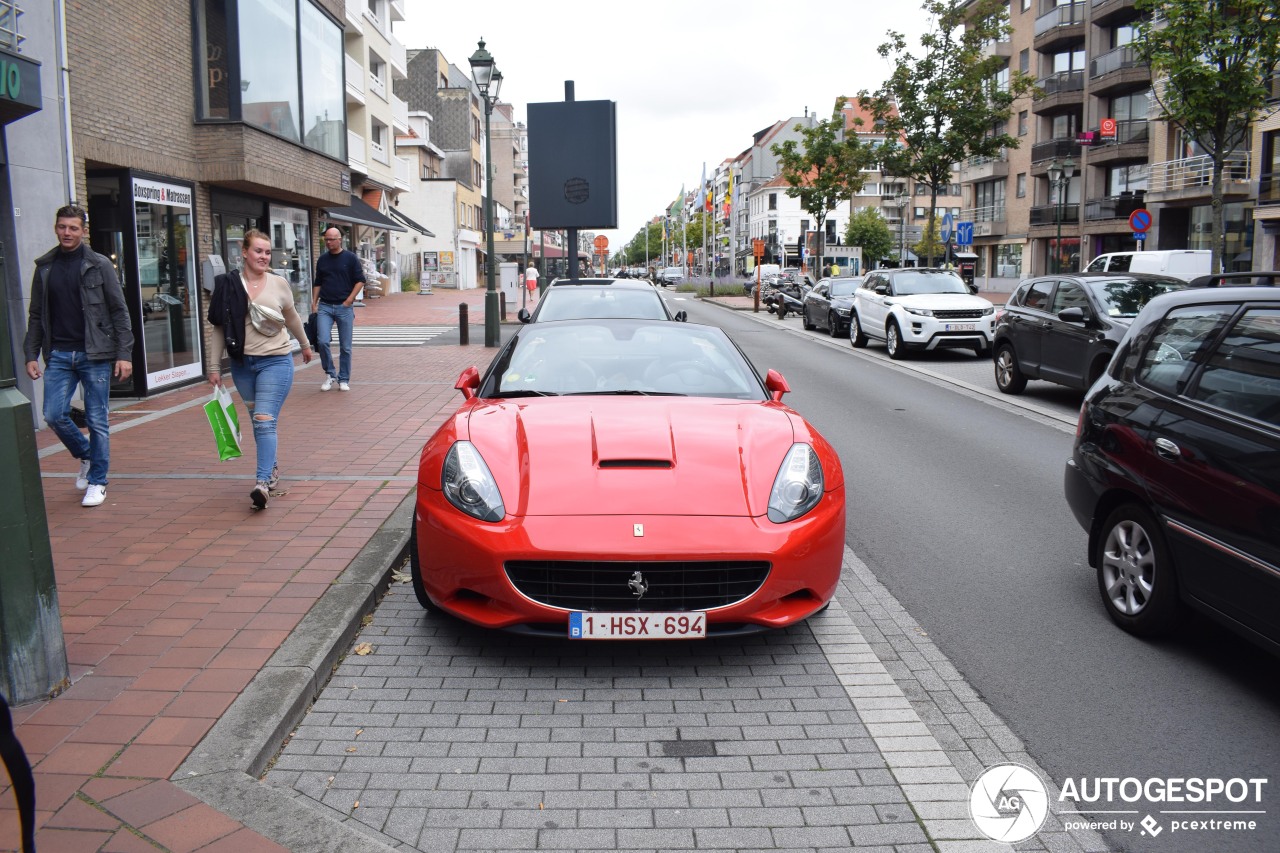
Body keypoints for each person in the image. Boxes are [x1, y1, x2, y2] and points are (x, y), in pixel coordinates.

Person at [23, 204, 134, 508]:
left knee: (98, 420)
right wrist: (31, 353)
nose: (67, 233)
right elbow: (36, 315)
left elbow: (119, 311)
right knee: (53, 414)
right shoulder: (45, 267)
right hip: (58, 353)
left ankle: (98, 481)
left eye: (73, 228)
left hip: (95, 354)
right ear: (56, 228)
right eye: (62, 227)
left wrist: (124, 354)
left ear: (83, 230)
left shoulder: (99, 265)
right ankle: (86, 455)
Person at [208, 228, 313, 509]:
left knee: (265, 420)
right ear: (244, 252)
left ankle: (262, 483)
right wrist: (214, 365)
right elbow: (219, 327)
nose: (264, 256)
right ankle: (272, 468)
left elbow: (291, 317)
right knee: (258, 421)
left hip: (275, 361)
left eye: (267, 252)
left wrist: (304, 344)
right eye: (258, 251)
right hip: (242, 366)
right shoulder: (228, 285)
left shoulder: (278, 284)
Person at [311, 227, 364, 391]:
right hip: (325, 305)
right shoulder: (322, 260)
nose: (328, 242)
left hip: (344, 306)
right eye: (326, 239)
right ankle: (330, 374)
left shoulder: (350, 258)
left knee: (345, 346)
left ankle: (344, 379)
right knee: (322, 341)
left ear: (339, 239)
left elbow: (360, 280)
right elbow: (318, 282)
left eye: (331, 239)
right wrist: (314, 303)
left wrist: (349, 300)